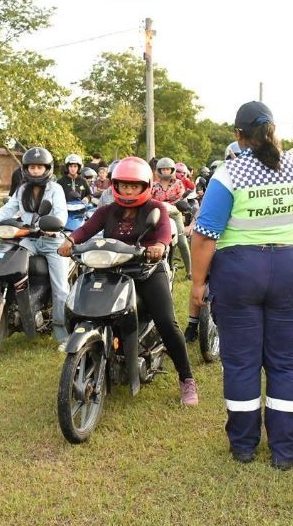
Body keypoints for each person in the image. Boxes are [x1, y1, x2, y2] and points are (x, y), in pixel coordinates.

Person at [191, 101, 293, 469]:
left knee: (242, 363)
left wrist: (197, 284)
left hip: (240, 272)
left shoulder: (229, 173)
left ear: (238, 135)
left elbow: (205, 234)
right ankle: (286, 451)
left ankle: (244, 447)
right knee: (289, 364)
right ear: (273, 130)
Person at [58, 157, 198, 406]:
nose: (128, 191)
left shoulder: (156, 209)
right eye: (123, 186)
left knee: (167, 322)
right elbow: (85, 230)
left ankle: (186, 379)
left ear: (145, 186)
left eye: (134, 186)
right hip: (112, 270)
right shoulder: (107, 210)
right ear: (115, 185)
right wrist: (70, 241)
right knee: (87, 308)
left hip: (146, 270)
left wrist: (159, 245)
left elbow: (165, 233)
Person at [0, 147, 70, 348]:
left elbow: (62, 213)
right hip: (29, 239)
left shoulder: (56, 189)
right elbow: (9, 208)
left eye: (39, 167)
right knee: (8, 266)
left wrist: (54, 228)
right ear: (25, 168)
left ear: (47, 168)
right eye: (31, 167)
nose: (35, 171)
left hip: (53, 242)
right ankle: (14, 309)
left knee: (61, 288)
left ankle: (62, 334)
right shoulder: (22, 189)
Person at [151, 157, 192, 279]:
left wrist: (172, 207)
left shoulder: (178, 184)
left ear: (172, 170)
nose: (165, 172)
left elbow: (181, 200)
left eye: (168, 169)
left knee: (182, 242)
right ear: (159, 170)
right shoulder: (153, 185)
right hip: (159, 215)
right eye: (163, 169)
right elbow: (150, 200)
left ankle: (189, 271)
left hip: (175, 214)